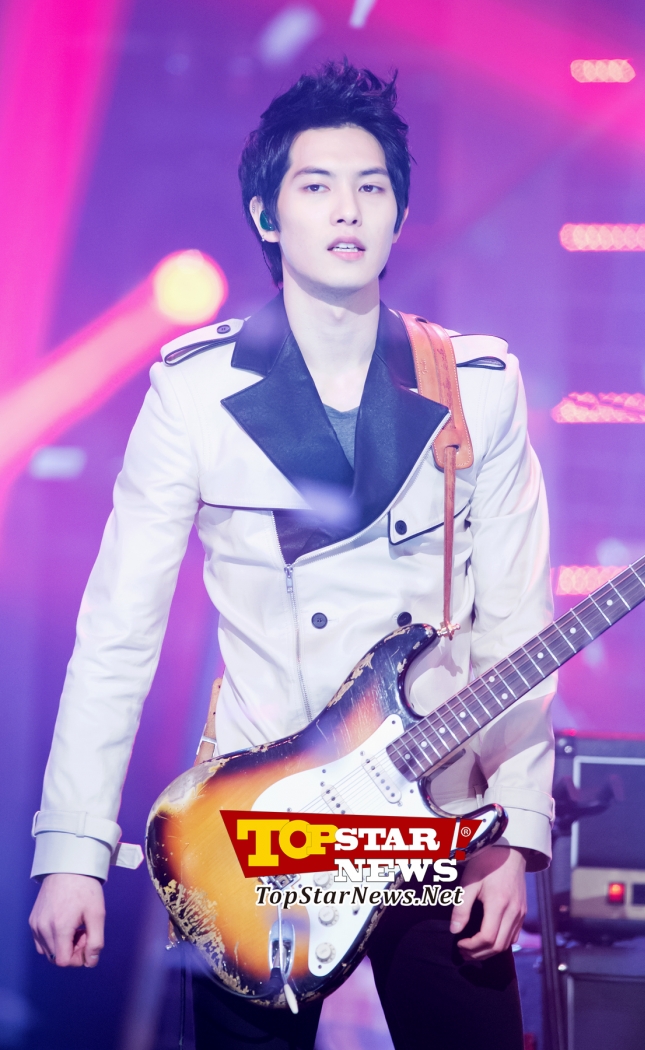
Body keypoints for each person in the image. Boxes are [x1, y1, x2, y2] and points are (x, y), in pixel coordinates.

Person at [29, 61, 555, 1049]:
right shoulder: (193, 391)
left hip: (436, 816)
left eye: (371, 186)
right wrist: (72, 848)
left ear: (400, 213)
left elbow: (517, 626)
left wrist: (514, 833)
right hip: (263, 829)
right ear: (267, 216)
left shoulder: (477, 383)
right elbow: (118, 633)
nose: (347, 209)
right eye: (316, 185)